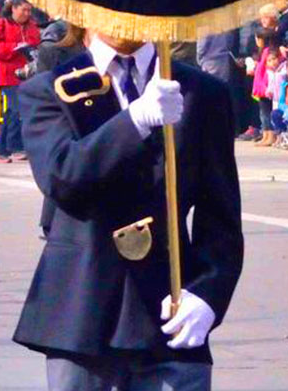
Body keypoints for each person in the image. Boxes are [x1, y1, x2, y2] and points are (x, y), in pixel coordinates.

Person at [14, 27, 243, 390]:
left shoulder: (201, 92)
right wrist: (133, 121)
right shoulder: (50, 89)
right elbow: (62, 177)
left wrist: (209, 294)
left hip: (170, 309)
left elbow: (221, 216)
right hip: (84, 309)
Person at [0, 0, 41, 162]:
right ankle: (15, 146)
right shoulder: (0, 25)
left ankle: (1, 150)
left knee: (12, 112)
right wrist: (15, 47)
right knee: (18, 109)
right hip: (8, 75)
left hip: (28, 74)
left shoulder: (32, 26)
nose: (27, 14)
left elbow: (37, 43)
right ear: (13, 9)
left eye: (29, 10)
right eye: (24, 10)